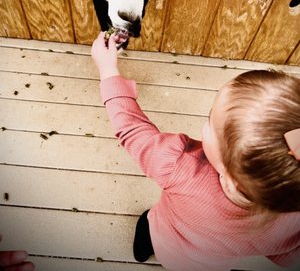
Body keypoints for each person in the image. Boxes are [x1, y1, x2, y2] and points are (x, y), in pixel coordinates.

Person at [91, 32, 300, 271]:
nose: (206, 124)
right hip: (208, 264)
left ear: (230, 180)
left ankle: (147, 237)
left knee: (151, 229)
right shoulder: (294, 212)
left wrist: (108, 71)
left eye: (210, 120)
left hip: (170, 244)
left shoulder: (181, 164)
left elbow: (131, 129)